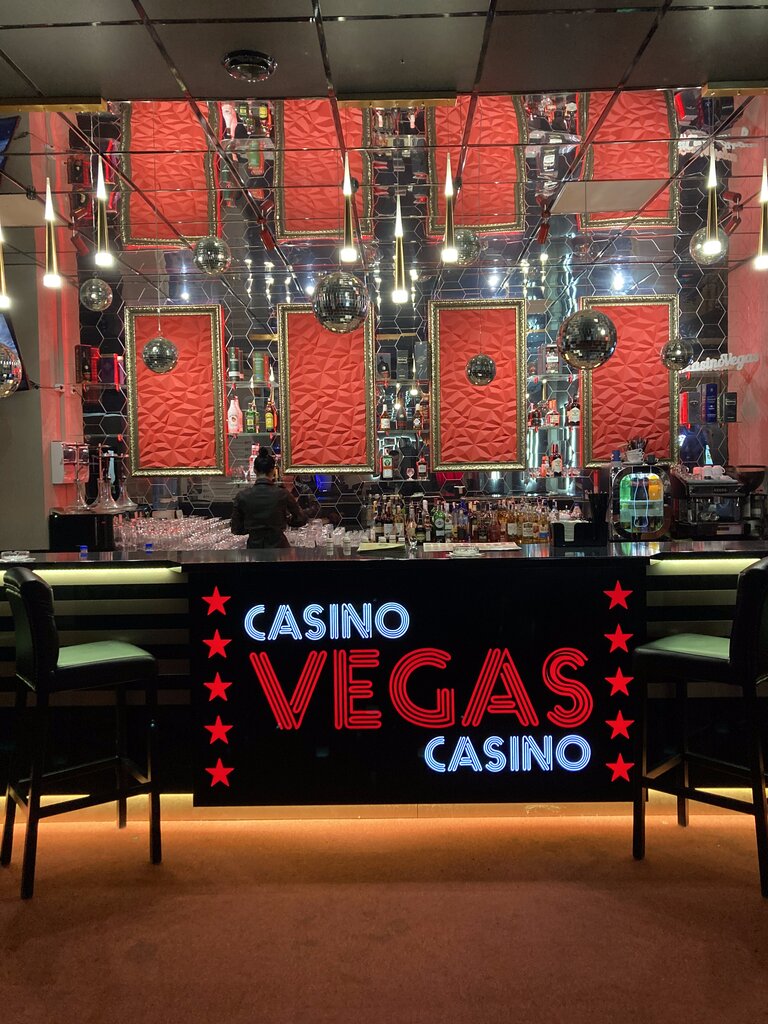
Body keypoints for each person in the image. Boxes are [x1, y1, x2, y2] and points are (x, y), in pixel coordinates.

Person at [231, 448, 308, 548]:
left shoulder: (242, 496)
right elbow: (301, 519)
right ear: (273, 471)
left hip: (254, 548)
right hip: (279, 548)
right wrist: (286, 521)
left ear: (254, 470)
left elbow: (236, 529)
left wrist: (252, 528)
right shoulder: (283, 494)